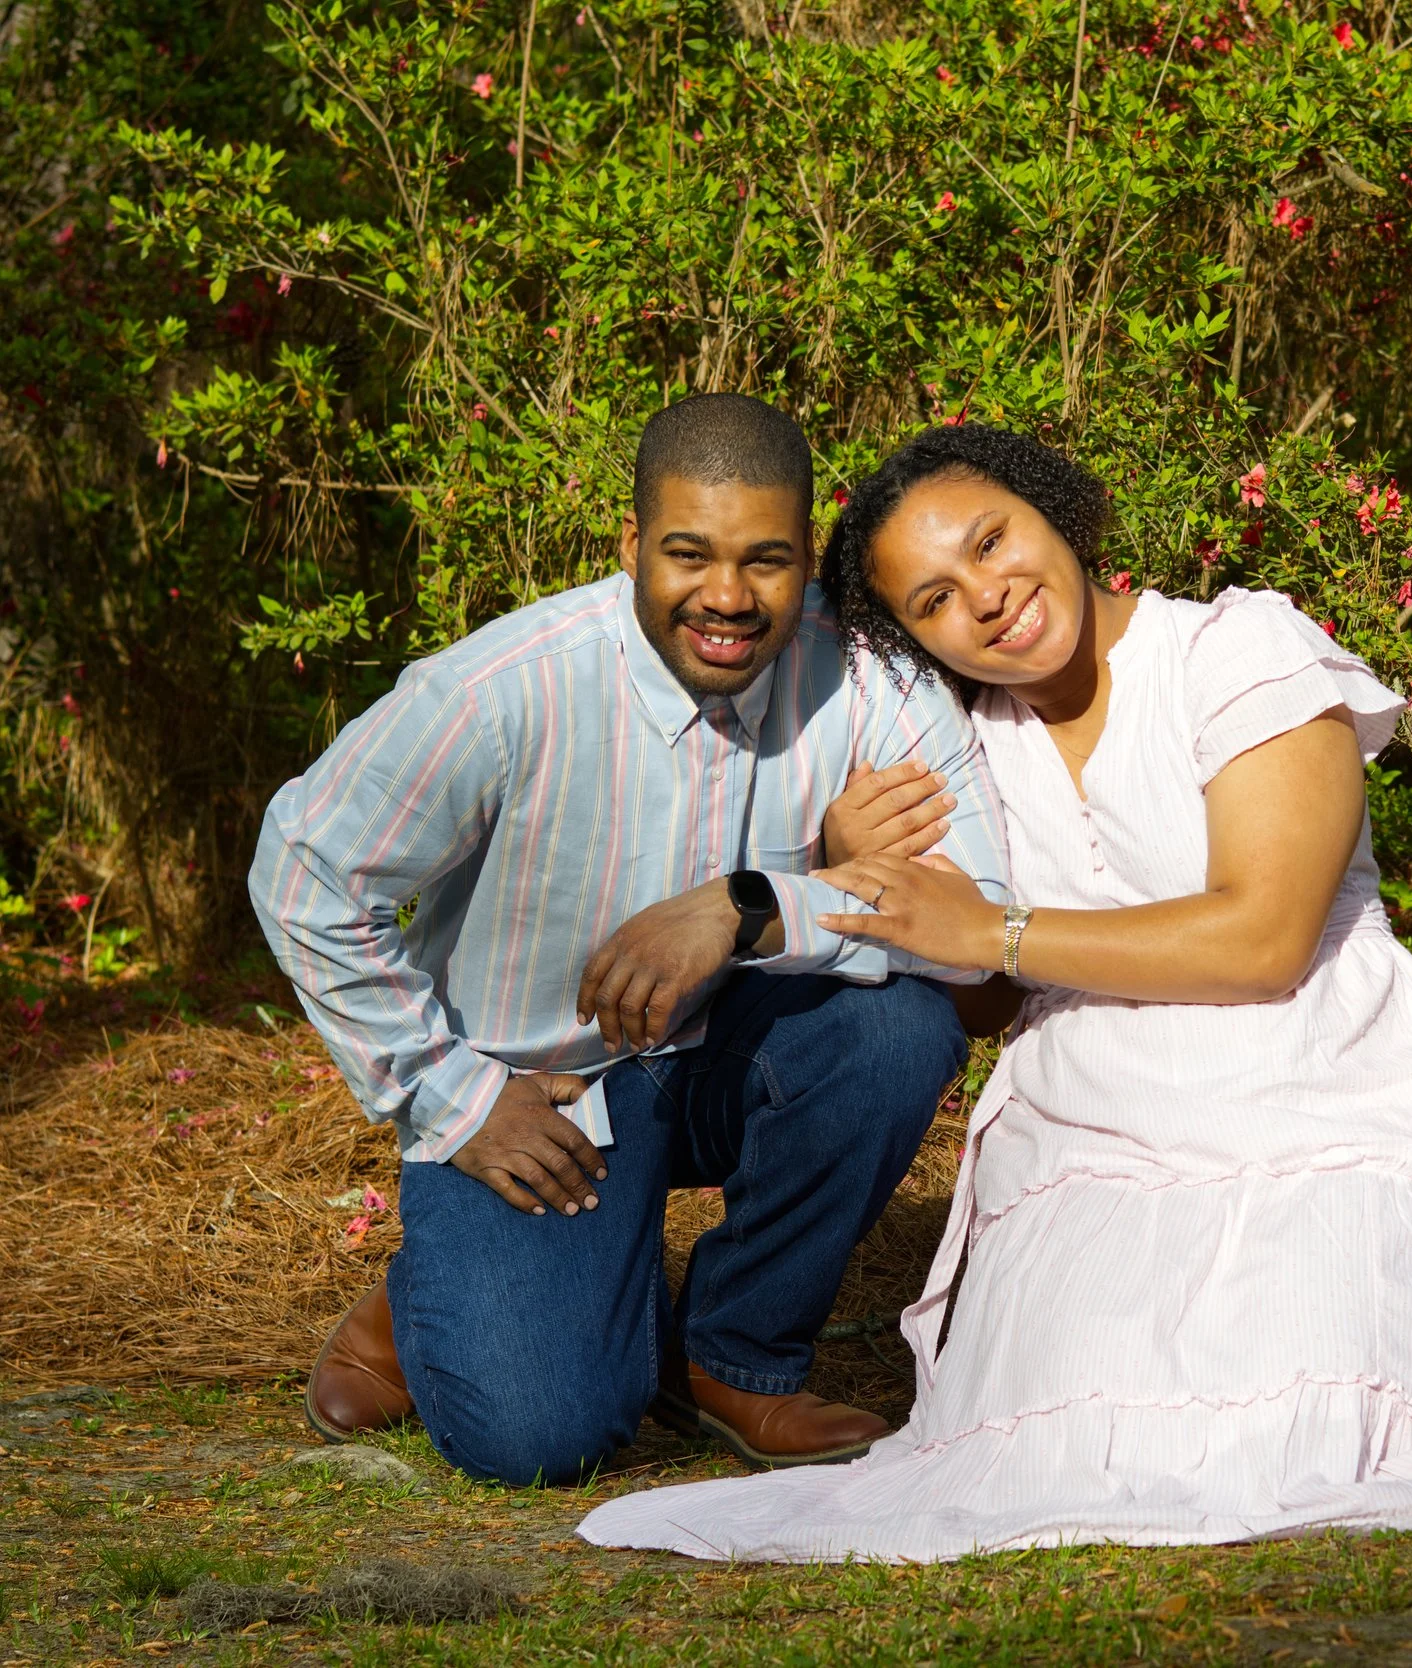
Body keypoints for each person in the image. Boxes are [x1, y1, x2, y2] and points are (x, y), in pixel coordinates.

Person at [579, 426, 1412, 1561]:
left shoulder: (1238, 650)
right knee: (1071, 1439)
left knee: (1313, 1408)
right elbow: (973, 1005)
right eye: (933, 598)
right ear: (913, 635)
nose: (987, 597)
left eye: (990, 540)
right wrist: (845, 866)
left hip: (1316, 1087)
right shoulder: (962, 745)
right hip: (1090, 1123)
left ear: (1051, 508)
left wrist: (992, 926)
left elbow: (1265, 939)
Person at [249, 394, 1010, 1485]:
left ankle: (735, 1357)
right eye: (688, 555)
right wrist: (451, 1094)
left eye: (768, 562)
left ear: (808, 553)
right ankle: (428, 1299)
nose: (728, 598)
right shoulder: (503, 689)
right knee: (540, 1438)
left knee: (893, 1032)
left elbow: (976, 924)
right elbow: (304, 868)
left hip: (734, 1055)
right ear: (632, 545)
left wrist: (755, 902)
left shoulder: (872, 682)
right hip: (539, 1093)